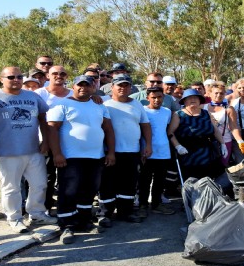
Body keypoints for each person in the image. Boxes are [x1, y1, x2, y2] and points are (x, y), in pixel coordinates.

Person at [0, 67, 57, 234]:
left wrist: (45, 141)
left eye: (19, 76)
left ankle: (37, 214)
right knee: (12, 188)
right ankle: (15, 218)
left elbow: (42, 118)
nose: (16, 79)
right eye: (11, 77)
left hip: (33, 149)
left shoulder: (32, 96)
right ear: (1, 79)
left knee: (39, 184)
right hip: (7, 152)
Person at [47, 75, 116, 244]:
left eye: (87, 85)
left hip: (96, 156)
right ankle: (67, 226)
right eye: (80, 85)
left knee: (89, 190)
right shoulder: (62, 104)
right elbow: (52, 130)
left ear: (93, 87)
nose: (83, 88)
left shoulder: (100, 105)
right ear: (73, 86)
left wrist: (111, 152)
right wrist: (56, 153)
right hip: (71, 157)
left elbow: (108, 129)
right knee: (68, 191)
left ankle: (84, 221)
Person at [100, 74, 152, 224]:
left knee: (129, 183)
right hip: (110, 152)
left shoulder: (137, 105)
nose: (123, 88)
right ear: (112, 87)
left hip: (132, 151)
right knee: (108, 183)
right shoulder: (105, 104)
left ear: (130, 87)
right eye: (119, 85)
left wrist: (147, 145)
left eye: (126, 85)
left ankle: (126, 212)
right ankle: (105, 214)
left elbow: (145, 126)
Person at [35, 65, 73, 214]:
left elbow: (89, 98)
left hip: (68, 143)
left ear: (66, 76)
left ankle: (68, 207)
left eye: (62, 73)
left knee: (67, 177)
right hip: (45, 141)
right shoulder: (39, 94)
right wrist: (45, 141)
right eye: (55, 73)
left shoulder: (73, 94)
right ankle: (46, 208)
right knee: (46, 177)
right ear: (47, 76)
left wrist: (96, 97)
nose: (59, 76)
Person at [168, 89, 227, 181]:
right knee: (192, 178)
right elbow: (170, 132)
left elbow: (215, 130)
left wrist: (223, 144)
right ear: (184, 101)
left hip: (207, 150)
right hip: (187, 151)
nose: (193, 100)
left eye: (196, 98)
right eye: (190, 98)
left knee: (210, 177)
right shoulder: (179, 114)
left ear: (200, 100)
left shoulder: (206, 113)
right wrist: (178, 146)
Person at [138, 87, 176, 217]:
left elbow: (168, 129)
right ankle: (143, 205)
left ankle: (156, 204)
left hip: (164, 151)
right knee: (145, 180)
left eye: (159, 97)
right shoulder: (143, 111)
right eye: (153, 97)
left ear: (163, 98)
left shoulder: (167, 112)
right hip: (147, 152)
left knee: (160, 180)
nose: (156, 100)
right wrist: (142, 149)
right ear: (147, 98)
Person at [204, 82, 232, 166]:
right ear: (209, 94)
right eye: (216, 93)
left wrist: (239, 141)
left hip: (225, 140)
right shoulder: (202, 107)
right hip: (208, 142)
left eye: (221, 93)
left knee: (223, 167)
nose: (219, 95)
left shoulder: (229, 109)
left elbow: (234, 127)